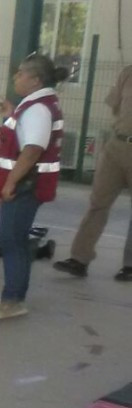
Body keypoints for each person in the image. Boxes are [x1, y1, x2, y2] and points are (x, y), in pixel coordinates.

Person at [0, 53, 68, 321]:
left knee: (12, 239)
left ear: (35, 80)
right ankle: (12, 295)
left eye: (21, 73)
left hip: (26, 185)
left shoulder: (38, 109)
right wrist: (11, 114)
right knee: (13, 239)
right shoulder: (35, 105)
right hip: (28, 183)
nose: (15, 78)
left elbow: (32, 150)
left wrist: (10, 182)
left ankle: (13, 300)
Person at [55, 64, 132, 282]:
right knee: (98, 203)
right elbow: (115, 107)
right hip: (117, 145)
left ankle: (130, 265)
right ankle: (79, 259)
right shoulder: (128, 73)